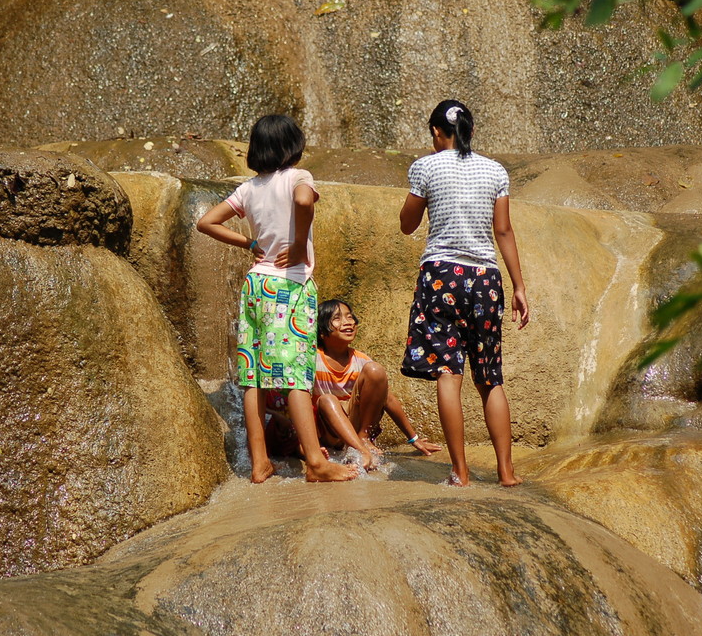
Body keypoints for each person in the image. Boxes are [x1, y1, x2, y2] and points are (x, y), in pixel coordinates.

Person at [196, 114, 359, 483]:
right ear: (293, 146)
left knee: (253, 377)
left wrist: (251, 243)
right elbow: (304, 201)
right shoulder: (298, 178)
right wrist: (299, 244)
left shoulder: (249, 188)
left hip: (255, 286)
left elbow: (206, 222)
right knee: (297, 377)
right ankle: (316, 464)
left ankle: (259, 463)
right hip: (289, 286)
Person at [398, 100, 529, 487]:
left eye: (433, 135)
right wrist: (519, 286)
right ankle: (506, 473)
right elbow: (503, 231)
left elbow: (407, 224)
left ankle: (460, 472)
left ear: (439, 133)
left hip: (441, 275)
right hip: (485, 280)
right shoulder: (495, 171)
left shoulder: (426, 166)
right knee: (490, 377)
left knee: (448, 374)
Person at [312, 299, 442, 463]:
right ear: (322, 332)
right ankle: (356, 445)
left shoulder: (361, 361)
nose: (347, 323)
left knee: (375, 370)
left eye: (350, 317)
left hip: (354, 424)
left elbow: (387, 399)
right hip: (327, 431)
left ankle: (363, 438)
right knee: (327, 400)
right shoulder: (313, 359)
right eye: (337, 318)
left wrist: (413, 438)